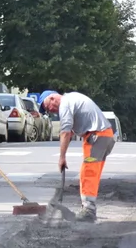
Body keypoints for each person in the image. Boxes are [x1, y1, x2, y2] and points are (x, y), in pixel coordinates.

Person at [40, 90, 115, 222]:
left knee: (88, 173)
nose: (50, 111)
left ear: (52, 98)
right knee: (91, 173)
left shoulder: (65, 104)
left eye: (47, 107)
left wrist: (62, 157)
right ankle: (88, 208)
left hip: (97, 136)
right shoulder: (72, 99)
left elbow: (65, 132)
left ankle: (89, 211)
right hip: (104, 136)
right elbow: (70, 133)